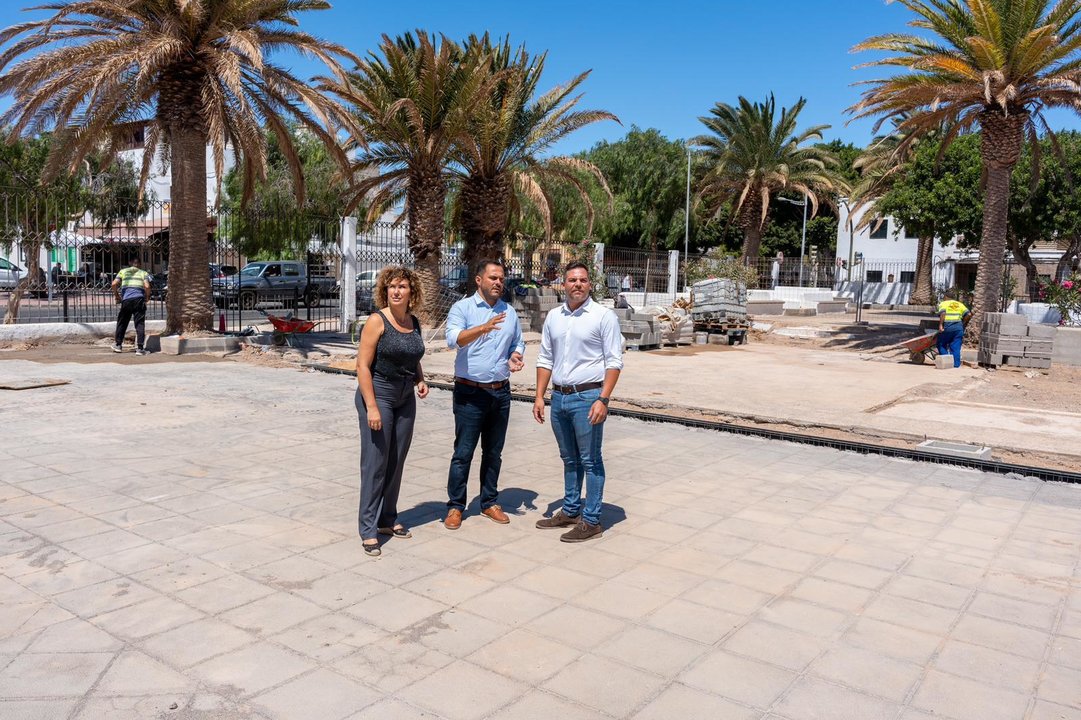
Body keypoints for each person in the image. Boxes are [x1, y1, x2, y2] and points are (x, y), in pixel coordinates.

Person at [533, 262, 624, 543]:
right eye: (572, 280)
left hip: (588, 397)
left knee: (590, 459)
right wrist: (539, 395)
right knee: (569, 458)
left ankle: (592, 519)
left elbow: (614, 361)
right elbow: (546, 358)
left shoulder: (603, 316)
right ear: (564, 284)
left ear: (589, 284)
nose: (577, 284)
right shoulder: (554, 317)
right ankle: (571, 510)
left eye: (582, 280)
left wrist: (603, 399)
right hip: (559, 397)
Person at [443, 259, 525, 530]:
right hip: (469, 392)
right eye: (493, 278)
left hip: (500, 393)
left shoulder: (509, 312)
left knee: (494, 452)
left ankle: (489, 501)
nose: (498, 283)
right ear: (479, 280)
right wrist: (483, 328)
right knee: (463, 452)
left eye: (501, 278)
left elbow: (517, 341)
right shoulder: (462, 308)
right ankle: (455, 506)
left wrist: (516, 355)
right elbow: (453, 338)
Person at [355, 266, 429, 557]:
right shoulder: (377, 321)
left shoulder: (414, 322)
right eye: (392, 287)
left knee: (396, 461)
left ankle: (388, 519)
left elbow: (413, 356)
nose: (397, 291)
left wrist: (420, 379)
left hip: (405, 396)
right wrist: (371, 406)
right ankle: (368, 528)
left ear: (412, 292)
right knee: (376, 463)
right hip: (379, 393)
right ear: (385, 291)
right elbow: (362, 366)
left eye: (402, 286)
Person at [111, 255, 150, 355]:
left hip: (126, 300)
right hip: (139, 300)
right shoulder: (143, 273)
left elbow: (114, 284)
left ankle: (118, 345)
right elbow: (147, 286)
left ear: (130, 263)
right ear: (140, 264)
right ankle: (140, 349)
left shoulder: (123, 271)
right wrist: (147, 297)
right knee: (140, 323)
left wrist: (117, 296)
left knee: (122, 322)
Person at [936, 289, 971, 368]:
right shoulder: (960, 304)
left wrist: (941, 325)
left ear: (945, 297)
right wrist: (963, 323)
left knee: (941, 344)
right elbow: (968, 314)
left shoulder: (943, 303)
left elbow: (943, 313)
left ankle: (947, 362)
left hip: (947, 326)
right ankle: (956, 365)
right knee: (956, 346)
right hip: (958, 327)